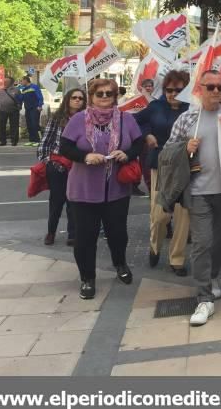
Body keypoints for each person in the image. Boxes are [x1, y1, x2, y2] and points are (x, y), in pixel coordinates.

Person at [166, 70, 221, 326]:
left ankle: (212, 276)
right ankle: (204, 299)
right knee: (202, 243)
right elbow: (167, 152)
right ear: (200, 89)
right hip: (198, 192)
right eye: (211, 87)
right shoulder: (188, 119)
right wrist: (184, 148)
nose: (217, 91)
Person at [59, 78, 144, 300]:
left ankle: (120, 263)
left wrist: (127, 154)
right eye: (100, 94)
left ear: (115, 97)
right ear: (91, 97)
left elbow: (138, 143)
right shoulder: (79, 119)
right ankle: (87, 278)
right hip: (84, 190)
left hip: (116, 189)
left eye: (109, 94)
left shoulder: (126, 119)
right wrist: (85, 156)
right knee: (85, 237)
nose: (104, 97)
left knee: (117, 233)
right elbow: (65, 147)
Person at [135, 70, 191, 277]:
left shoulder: (193, 109)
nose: (173, 93)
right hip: (161, 165)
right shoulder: (155, 107)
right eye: (169, 89)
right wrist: (147, 134)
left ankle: (177, 259)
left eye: (178, 90)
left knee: (183, 216)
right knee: (159, 215)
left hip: (187, 167)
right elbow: (137, 121)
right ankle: (154, 245)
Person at [38, 88, 86, 246]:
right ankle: (51, 232)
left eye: (81, 98)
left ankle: (72, 234)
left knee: (74, 201)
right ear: (68, 100)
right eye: (74, 97)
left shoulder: (87, 119)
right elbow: (45, 142)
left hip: (78, 166)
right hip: (58, 166)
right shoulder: (57, 118)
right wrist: (48, 161)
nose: (77, 100)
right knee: (57, 201)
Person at [0, 76, 21, 147]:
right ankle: (2, 141)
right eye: (4, 81)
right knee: (2, 126)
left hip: (14, 111)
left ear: (11, 82)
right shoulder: (0, 90)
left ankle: (14, 141)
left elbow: (20, 99)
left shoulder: (16, 90)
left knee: (14, 126)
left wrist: (19, 106)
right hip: (2, 111)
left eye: (7, 81)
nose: (5, 82)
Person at [19, 76, 44, 145]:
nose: (20, 82)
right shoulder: (23, 90)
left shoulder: (34, 87)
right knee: (29, 124)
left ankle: (38, 140)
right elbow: (21, 99)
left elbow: (40, 97)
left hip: (35, 109)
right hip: (28, 109)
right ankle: (32, 140)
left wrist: (40, 105)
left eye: (21, 81)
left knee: (34, 124)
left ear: (25, 80)